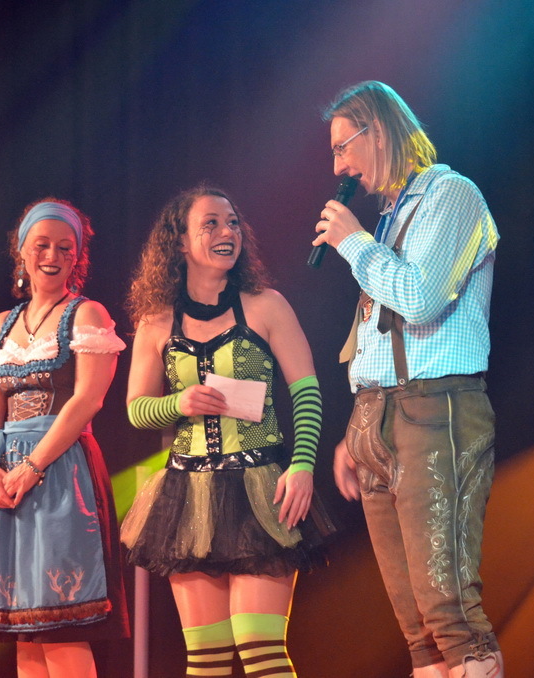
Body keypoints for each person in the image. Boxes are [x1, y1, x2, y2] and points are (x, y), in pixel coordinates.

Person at [312, 81, 504, 678]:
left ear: (378, 131)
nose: (338, 167)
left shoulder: (451, 194)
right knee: (417, 632)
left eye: (343, 147)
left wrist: (353, 243)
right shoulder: (389, 221)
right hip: (380, 417)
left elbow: (420, 300)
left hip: (435, 411)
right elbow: (377, 336)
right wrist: (357, 431)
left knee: (450, 614)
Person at [121, 186, 333, 678]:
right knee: (207, 661)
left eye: (233, 222)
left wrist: (302, 465)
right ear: (180, 241)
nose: (227, 232)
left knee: (262, 654)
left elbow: (306, 392)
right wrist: (178, 403)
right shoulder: (156, 323)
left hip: (260, 488)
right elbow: (135, 410)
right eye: (211, 223)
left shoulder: (266, 306)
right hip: (187, 495)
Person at [0, 198, 129, 678]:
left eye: (64, 247)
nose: (52, 255)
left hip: (60, 469)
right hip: (4, 473)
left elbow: (87, 400)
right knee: (26, 632)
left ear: (77, 256)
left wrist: (33, 465)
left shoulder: (86, 314)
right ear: (22, 251)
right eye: (41, 245)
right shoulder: (0, 325)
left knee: (61, 629)